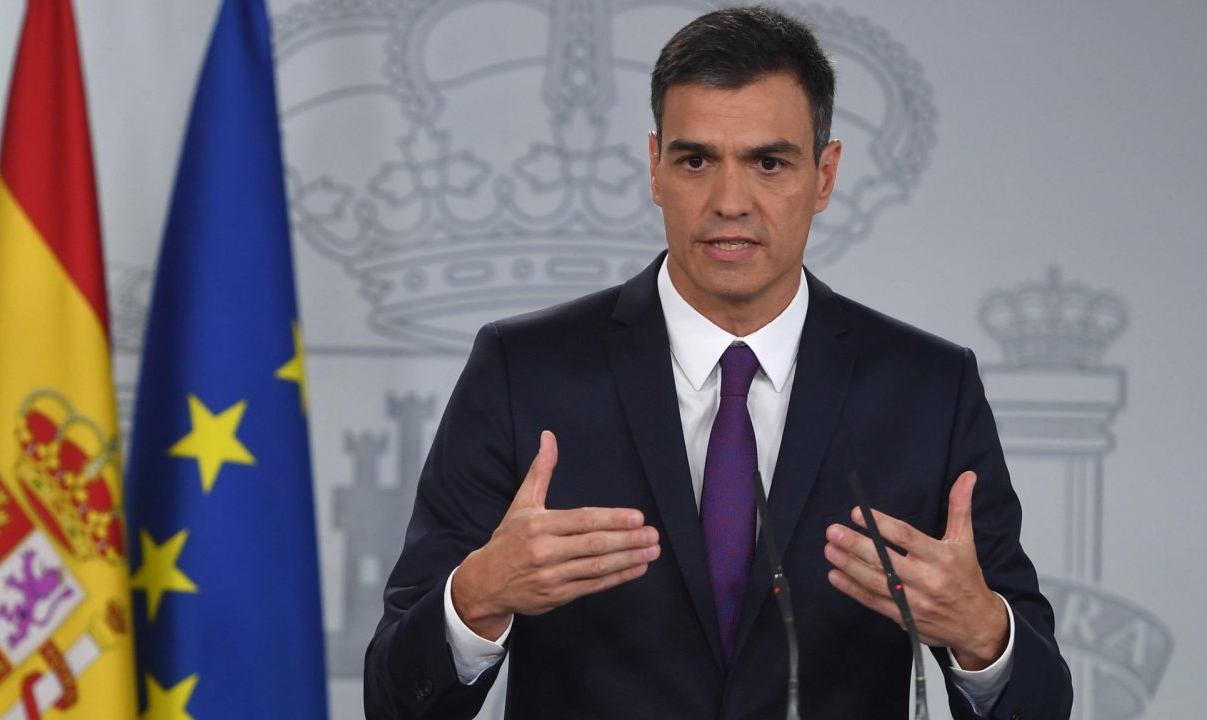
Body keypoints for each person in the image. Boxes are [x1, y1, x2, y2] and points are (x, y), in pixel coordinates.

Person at [364, 6, 1071, 719]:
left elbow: (1042, 703)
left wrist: (983, 634)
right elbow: (394, 700)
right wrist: (476, 598)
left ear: (825, 176)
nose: (730, 202)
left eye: (769, 162)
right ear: (655, 168)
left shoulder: (927, 391)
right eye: (696, 160)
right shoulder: (524, 372)